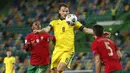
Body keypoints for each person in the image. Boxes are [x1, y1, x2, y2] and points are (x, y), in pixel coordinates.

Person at [33, 3, 110, 73]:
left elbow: (86, 29)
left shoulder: (73, 22)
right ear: (59, 11)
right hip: (57, 50)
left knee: (60, 69)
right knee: (54, 71)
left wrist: (100, 33)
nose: (65, 13)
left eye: (67, 11)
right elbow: (47, 29)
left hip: (68, 51)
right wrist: (40, 31)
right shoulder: (54, 22)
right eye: (63, 11)